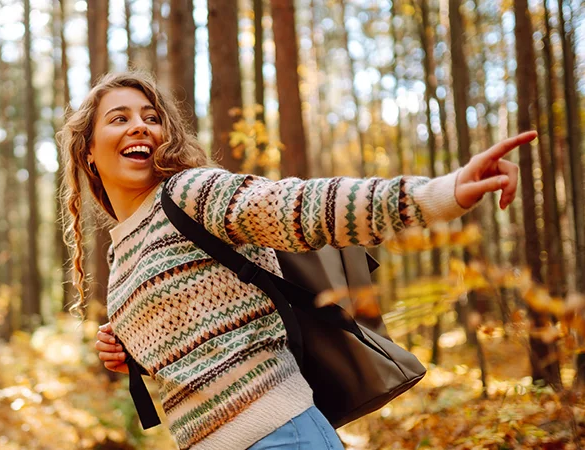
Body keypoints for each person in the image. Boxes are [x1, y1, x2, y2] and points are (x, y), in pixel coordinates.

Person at [58, 71, 533, 449]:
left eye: (151, 117)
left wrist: (440, 194)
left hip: (281, 434)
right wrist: (133, 351)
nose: (140, 125)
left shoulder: (190, 192)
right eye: (119, 118)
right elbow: (200, 341)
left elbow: (301, 207)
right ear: (89, 152)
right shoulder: (121, 254)